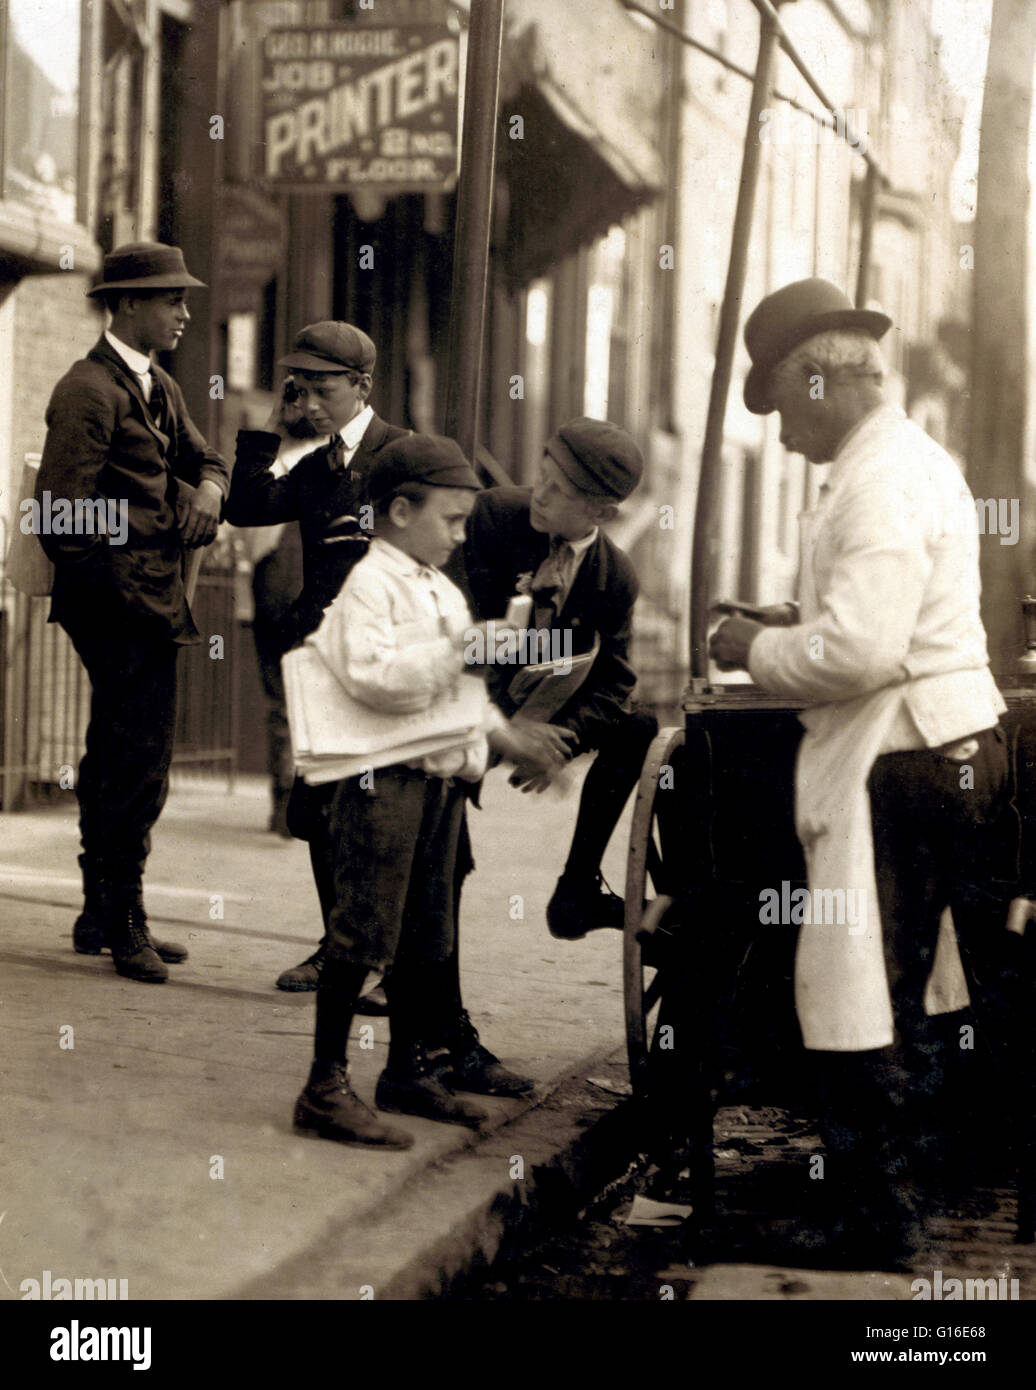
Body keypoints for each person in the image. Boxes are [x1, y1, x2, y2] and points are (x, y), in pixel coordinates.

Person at [709, 277, 1024, 1263]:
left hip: (904, 755)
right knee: (917, 982)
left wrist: (745, 648)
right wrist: (787, 624)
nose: (782, 435)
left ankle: (872, 1217)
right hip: (950, 743)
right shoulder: (902, 460)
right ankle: (895, 1195)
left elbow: (859, 651)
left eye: (781, 407)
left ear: (815, 377)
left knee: (856, 981)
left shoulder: (880, 479)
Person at [292, 434, 566, 1146]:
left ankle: (410, 1070)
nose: (460, 533)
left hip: (440, 787)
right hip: (384, 785)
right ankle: (324, 1084)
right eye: (450, 518)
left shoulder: (440, 587)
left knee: (424, 934)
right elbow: (374, 678)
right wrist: (461, 650)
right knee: (363, 932)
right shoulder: (369, 584)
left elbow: (462, 691)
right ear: (400, 510)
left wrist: (502, 737)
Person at [37, 241, 230, 983]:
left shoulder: (155, 386)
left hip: (152, 600)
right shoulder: (88, 390)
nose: (183, 312)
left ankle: (102, 912)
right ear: (123, 305)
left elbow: (206, 461)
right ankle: (123, 922)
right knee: (137, 763)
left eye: (182, 298)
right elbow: (59, 516)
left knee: (121, 756)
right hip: (119, 606)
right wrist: (142, 539)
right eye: (168, 299)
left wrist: (207, 493)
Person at [223, 322, 407, 1004]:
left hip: (381, 664)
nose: (312, 399)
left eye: (323, 386)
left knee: (379, 818)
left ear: (362, 385)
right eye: (302, 386)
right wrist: (271, 425)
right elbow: (244, 507)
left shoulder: (403, 457)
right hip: (319, 661)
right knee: (316, 813)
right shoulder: (316, 467)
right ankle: (339, 945)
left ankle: (389, 961)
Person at [448, 417, 658, 939]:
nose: (538, 494)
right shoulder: (494, 517)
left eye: (558, 490)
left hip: (543, 708)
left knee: (640, 727)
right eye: (541, 475)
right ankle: (411, 968)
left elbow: (614, 683)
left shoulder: (614, 576)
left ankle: (578, 883)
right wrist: (512, 732)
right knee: (442, 824)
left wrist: (559, 744)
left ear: (602, 512)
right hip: (466, 701)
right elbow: (459, 635)